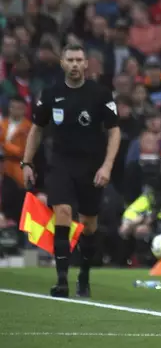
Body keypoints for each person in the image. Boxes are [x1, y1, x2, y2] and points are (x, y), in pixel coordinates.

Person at [22, 43, 120, 298]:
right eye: (70, 60)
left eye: (79, 60)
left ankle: (84, 275)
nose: (75, 64)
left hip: (91, 166)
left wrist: (107, 166)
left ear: (86, 64)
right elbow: (37, 129)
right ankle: (62, 279)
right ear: (63, 64)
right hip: (61, 163)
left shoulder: (100, 94)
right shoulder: (51, 93)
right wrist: (26, 162)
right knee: (63, 212)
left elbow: (114, 130)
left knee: (89, 225)